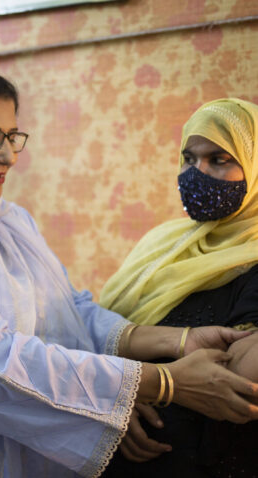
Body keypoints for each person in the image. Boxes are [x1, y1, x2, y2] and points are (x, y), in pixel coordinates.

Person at [0, 67, 257, 478]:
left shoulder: (8, 223)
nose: (8, 155)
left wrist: (179, 340)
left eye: (12, 136)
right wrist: (161, 383)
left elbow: (69, 312)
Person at [100, 97, 258, 477]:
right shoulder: (162, 244)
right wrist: (119, 395)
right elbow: (93, 331)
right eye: (189, 159)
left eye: (219, 159)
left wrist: (129, 386)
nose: (196, 173)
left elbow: (235, 386)